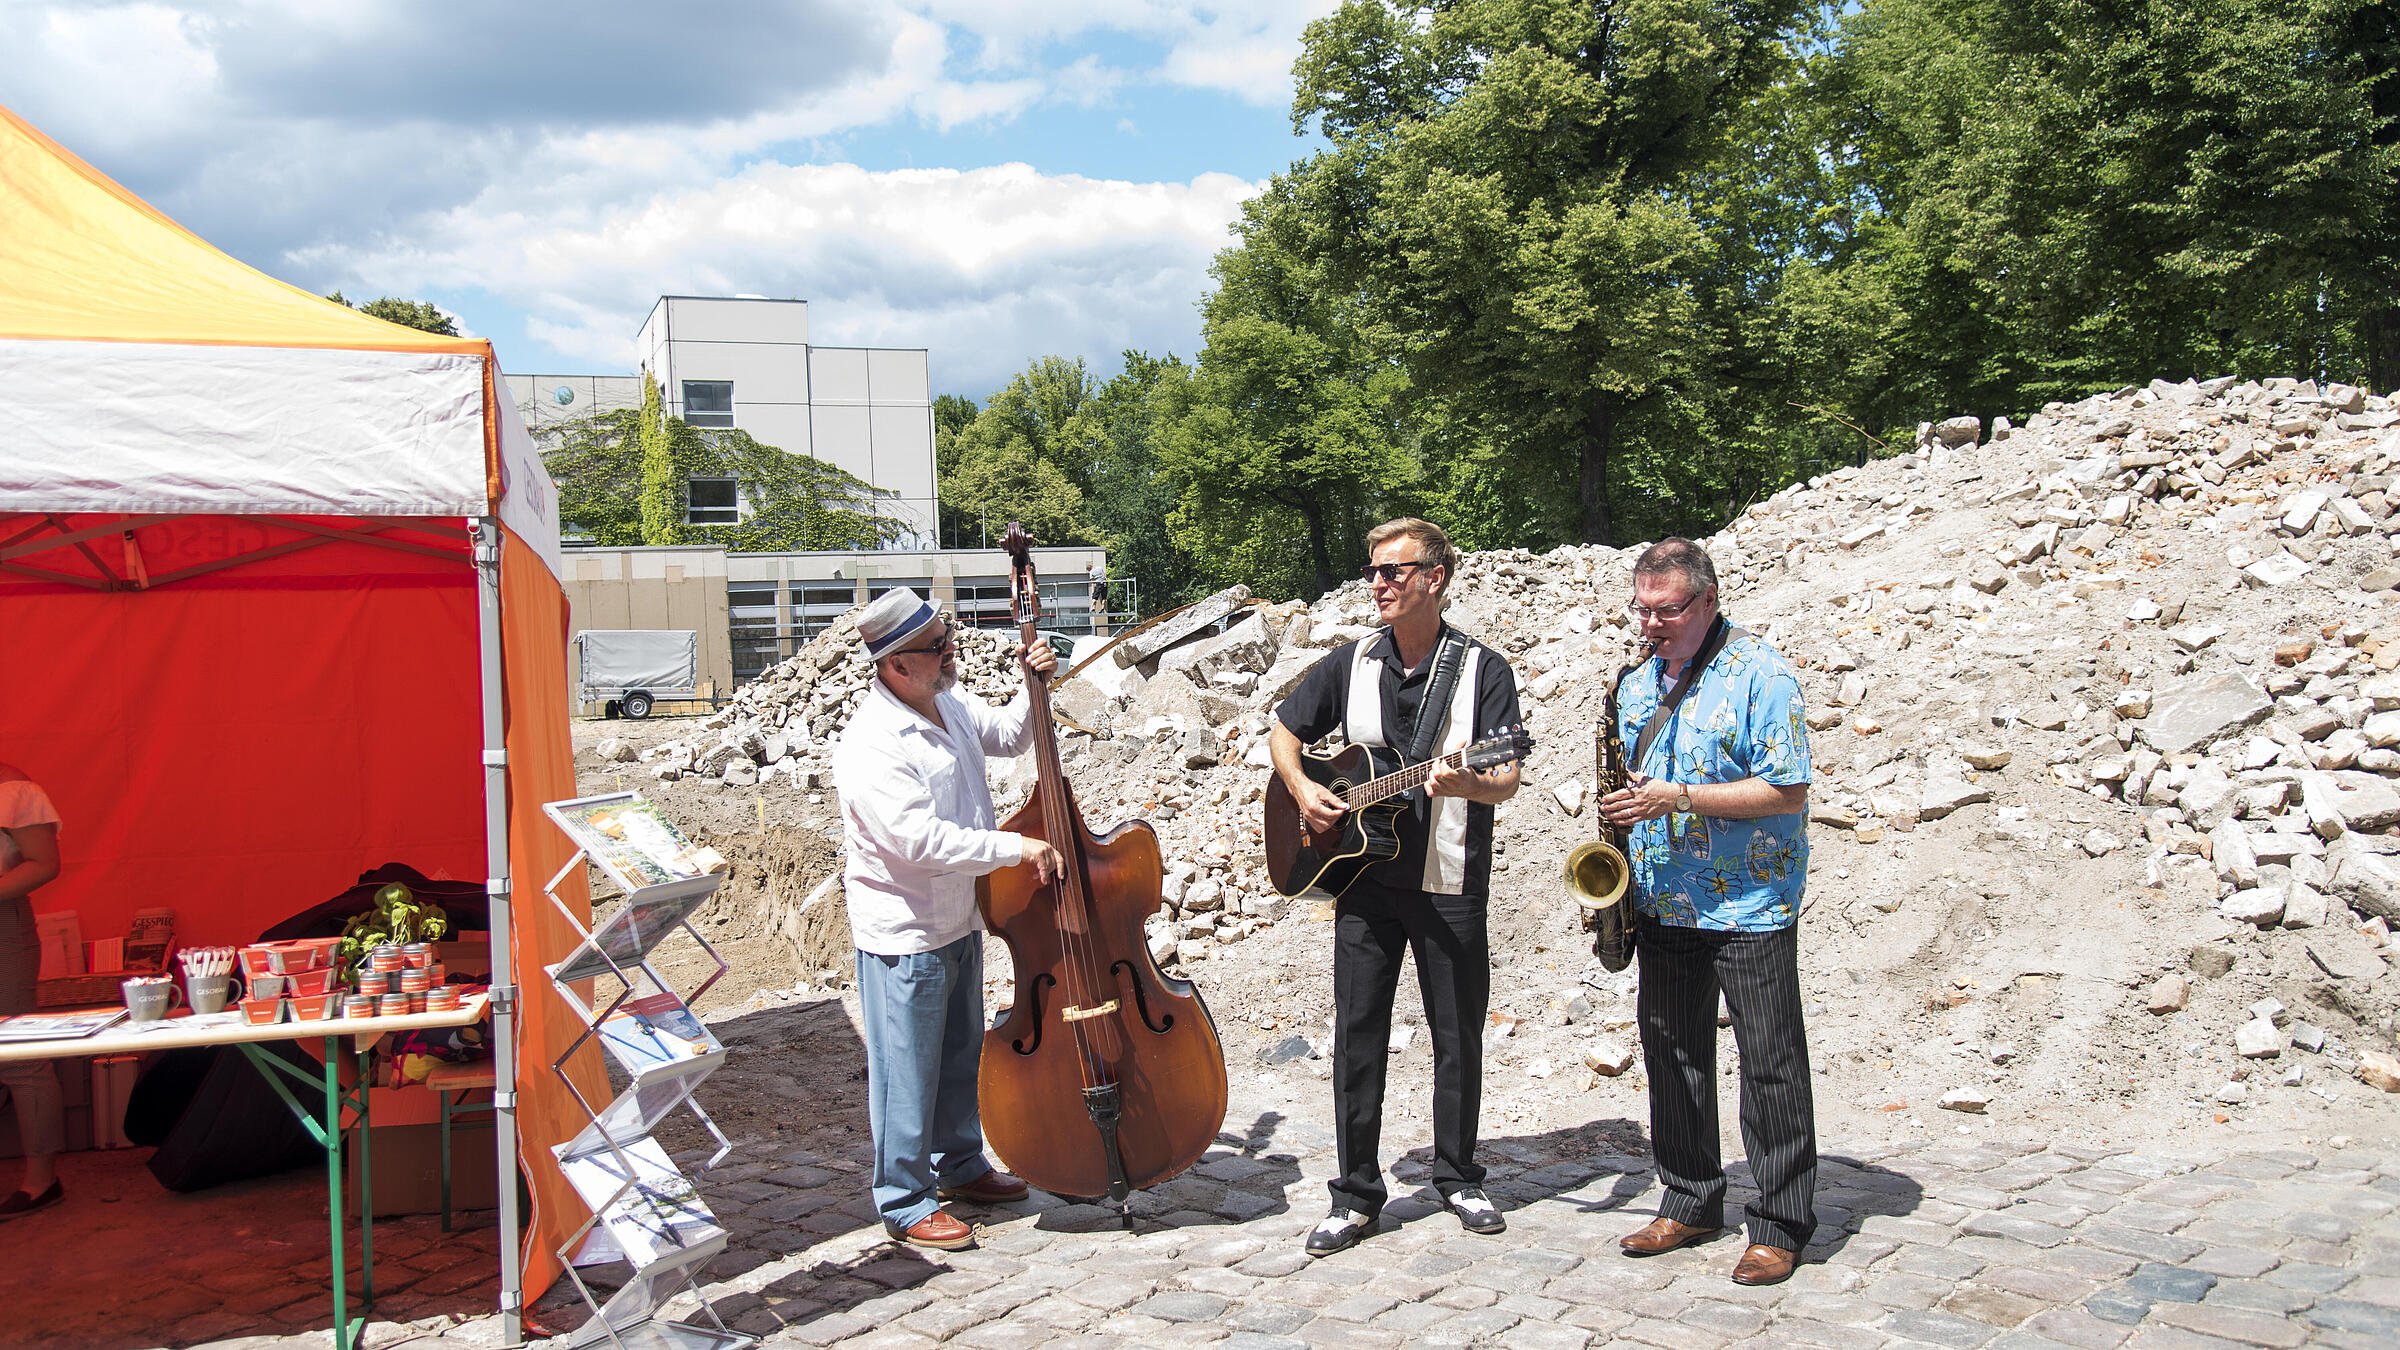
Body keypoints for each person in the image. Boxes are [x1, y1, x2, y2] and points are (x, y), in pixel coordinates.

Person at [1268, 518, 1523, 1257]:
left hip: (1449, 881)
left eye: (1391, 572)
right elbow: (1284, 730)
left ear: (1433, 579)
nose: (1376, 584)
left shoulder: (1485, 671)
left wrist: (1468, 778)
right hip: (1363, 880)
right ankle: (1354, 1194)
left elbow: (1505, 780)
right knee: (1357, 1037)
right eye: (1373, 572)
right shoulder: (1350, 663)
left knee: (1457, 1036)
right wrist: (1303, 789)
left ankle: (1459, 1175)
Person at [1597, 538, 1817, 1287]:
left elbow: (1786, 791)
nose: (1650, 625)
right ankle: (1690, 1199)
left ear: (1707, 602)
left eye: (1666, 611)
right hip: (1663, 900)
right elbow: (1635, 785)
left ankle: (1781, 1223)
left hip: (1749, 904)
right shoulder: (1634, 685)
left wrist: (1679, 798)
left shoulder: (1762, 674)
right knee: (1675, 1056)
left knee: (1771, 1066)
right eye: (1643, 610)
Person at [832, 588, 1064, 1251]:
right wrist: (1015, 848)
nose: (950, 652)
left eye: (947, 636)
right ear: (894, 664)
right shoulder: (872, 743)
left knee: (960, 1055)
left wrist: (1032, 681)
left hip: (960, 917)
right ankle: (904, 1199)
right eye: (936, 647)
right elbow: (919, 841)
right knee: (907, 1069)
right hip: (905, 929)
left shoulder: (948, 702)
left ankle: (959, 1165)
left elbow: (1015, 736)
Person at [0, 762, 64, 1220]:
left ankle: (41, 1181)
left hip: (3, 926)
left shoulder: (13, 788)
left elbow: (45, 863)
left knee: (18, 1053)